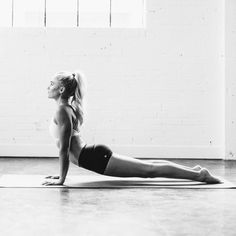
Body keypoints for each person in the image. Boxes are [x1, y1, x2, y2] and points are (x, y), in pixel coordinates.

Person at [43, 71, 221, 186]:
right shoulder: (66, 109)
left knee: (149, 171)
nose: (48, 86)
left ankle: (200, 176)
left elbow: (64, 150)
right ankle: (196, 171)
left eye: (52, 83)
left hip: (94, 158)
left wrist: (61, 180)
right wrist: (60, 175)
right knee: (150, 167)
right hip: (93, 155)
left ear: (61, 89)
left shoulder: (62, 110)